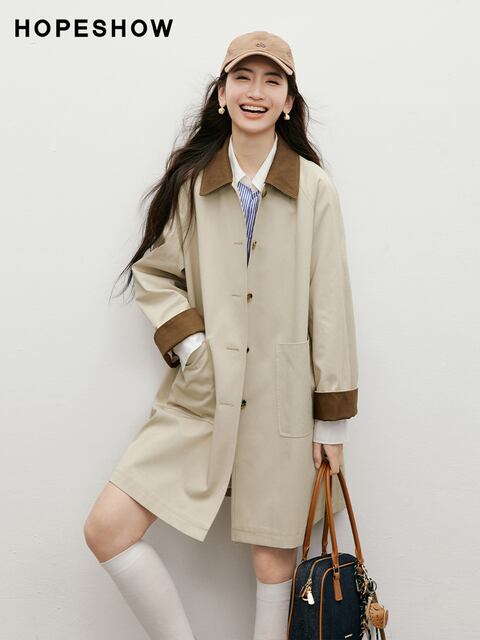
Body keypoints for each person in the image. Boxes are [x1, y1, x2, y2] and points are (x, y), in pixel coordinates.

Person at [84, 30, 359, 640]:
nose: (256, 92)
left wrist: (332, 426)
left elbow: (332, 308)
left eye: (272, 81)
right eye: (243, 78)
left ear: (289, 101)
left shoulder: (314, 188)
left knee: (272, 564)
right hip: (202, 397)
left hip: (283, 402)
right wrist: (194, 348)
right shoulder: (193, 183)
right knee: (107, 529)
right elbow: (155, 273)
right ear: (222, 93)